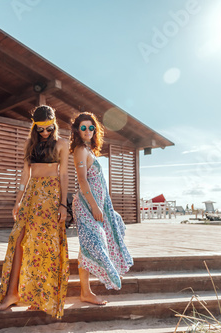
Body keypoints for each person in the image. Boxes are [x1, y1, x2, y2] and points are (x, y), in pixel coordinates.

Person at [0, 105, 70, 319]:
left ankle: (41, 298)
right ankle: (13, 293)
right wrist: (17, 201)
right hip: (32, 195)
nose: (45, 133)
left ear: (54, 124)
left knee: (46, 246)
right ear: (34, 127)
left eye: (48, 128)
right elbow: (24, 176)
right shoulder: (30, 144)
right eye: (40, 129)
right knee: (17, 240)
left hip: (52, 196)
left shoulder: (62, 144)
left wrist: (64, 204)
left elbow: (63, 175)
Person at [70, 112, 134, 305]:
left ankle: (86, 291)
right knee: (92, 244)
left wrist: (104, 208)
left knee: (96, 241)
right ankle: (86, 292)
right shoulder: (80, 150)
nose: (88, 131)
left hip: (98, 206)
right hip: (87, 206)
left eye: (91, 128)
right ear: (77, 130)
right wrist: (95, 207)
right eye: (83, 128)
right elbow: (82, 181)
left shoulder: (89, 150)